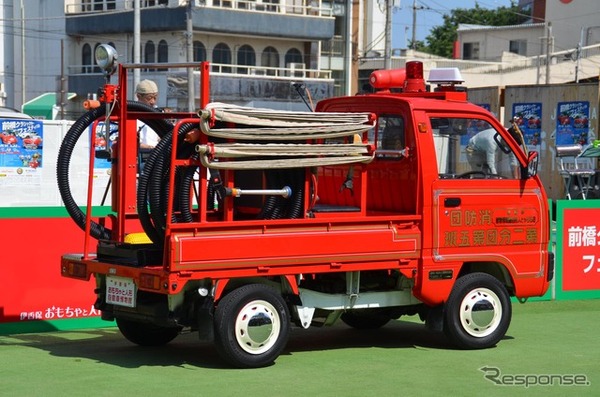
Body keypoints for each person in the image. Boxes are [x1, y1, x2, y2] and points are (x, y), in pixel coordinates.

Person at [135, 79, 161, 149]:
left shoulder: (159, 113)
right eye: (149, 98)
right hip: (139, 154)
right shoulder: (131, 115)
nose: (152, 102)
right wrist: (145, 147)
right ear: (138, 96)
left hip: (157, 153)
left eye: (155, 98)